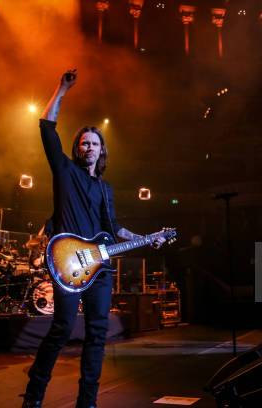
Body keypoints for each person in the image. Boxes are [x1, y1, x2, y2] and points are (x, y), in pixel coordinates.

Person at [22, 69, 165, 408]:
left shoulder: (105, 188)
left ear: (102, 151)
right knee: (61, 329)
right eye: (84, 142)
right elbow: (46, 125)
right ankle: (33, 396)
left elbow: (113, 227)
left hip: (99, 269)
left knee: (97, 336)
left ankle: (87, 401)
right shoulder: (65, 171)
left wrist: (147, 238)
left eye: (94, 143)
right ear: (78, 147)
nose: (88, 146)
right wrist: (62, 88)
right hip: (67, 261)